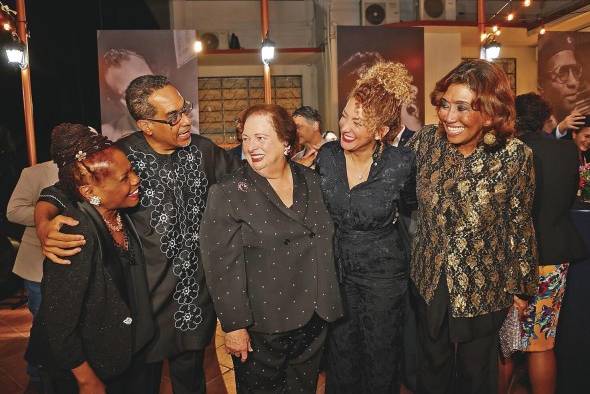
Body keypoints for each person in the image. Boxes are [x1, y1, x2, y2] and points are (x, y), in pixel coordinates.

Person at [35, 75, 239, 394]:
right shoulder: (122, 155)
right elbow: (62, 190)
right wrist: (44, 221)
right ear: (145, 124)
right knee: (140, 382)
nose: (186, 120)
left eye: (184, 109)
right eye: (173, 117)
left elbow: (242, 185)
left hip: (193, 300)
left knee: (192, 380)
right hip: (143, 301)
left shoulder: (204, 151)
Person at [407, 59, 537, 394]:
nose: (449, 117)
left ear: (491, 113)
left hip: (485, 283)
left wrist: (520, 289)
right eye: (445, 105)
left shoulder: (514, 156)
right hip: (429, 276)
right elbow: (397, 189)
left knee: (476, 374)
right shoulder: (426, 142)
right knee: (431, 367)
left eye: (462, 107)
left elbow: (519, 222)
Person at [200, 104, 343, 393]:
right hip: (263, 324)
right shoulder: (228, 192)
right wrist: (234, 326)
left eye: (261, 138)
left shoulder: (314, 182)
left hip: (315, 317)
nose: (251, 146)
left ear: (286, 142)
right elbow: (221, 266)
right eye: (246, 139)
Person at [27, 123, 155, 393]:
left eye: (132, 171)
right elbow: (58, 321)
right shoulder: (75, 236)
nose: (135, 180)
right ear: (89, 193)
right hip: (95, 368)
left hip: (129, 356)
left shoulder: (123, 215)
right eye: (124, 178)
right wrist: (86, 379)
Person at [316, 61, 417, 393]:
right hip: (338, 271)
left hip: (384, 275)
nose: (345, 126)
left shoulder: (400, 164)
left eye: (358, 122)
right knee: (341, 353)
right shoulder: (327, 157)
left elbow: (412, 208)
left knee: (381, 354)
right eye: (345, 115)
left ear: (380, 131)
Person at [497, 93, 587, 394]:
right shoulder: (567, 152)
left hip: (511, 257)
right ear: (545, 118)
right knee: (541, 342)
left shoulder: (508, 152)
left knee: (506, 343)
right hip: (553, 255)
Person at [6, 160, 58, 387]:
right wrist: (47, 215)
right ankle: (38, 377)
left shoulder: (97, 169)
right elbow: (13, 211)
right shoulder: (35, 172)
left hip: (78, 263)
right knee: (43, 324)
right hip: (39, 265)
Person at [537, 33, 590, 139]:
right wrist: (560, 129)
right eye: (562, 73)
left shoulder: (585, 118)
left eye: (576, 71)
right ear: (542, 86)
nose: (574, 82)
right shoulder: (537, 122)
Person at [99, 48, 154, 141]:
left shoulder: (184, 122)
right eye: (134, 90)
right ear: (118, 104)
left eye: (150, 81)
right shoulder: (105, 138)